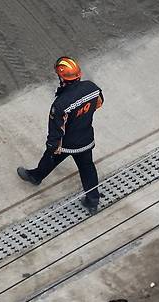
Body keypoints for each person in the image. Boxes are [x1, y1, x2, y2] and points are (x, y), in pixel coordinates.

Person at [17, 56, 104, 214]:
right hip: (86, 139)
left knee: (49, 159)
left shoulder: (61, 104)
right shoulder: (92, 88)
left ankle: (35, 177)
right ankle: (93, 201)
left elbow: (56, 131)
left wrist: (51, 148)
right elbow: (99, 103)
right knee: (87, 168)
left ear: (62, 78)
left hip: (67, 144)